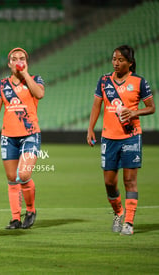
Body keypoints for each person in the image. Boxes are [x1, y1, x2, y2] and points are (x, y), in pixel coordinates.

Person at [87, 45, 155, 236]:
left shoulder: (139, 82)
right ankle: (118, 212)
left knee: (129, 180)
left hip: (131, 136)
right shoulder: (104, 81)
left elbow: (151, 107)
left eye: (120, 60)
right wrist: (90, 128)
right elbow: (96, 106)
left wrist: (134, 112)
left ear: (130, 63)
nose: (116, 63)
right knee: (109, 182)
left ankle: (129, 223)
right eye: (114, 59)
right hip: (109, 138)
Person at [0, 47, 44, 230]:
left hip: (30, 134)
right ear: (9, 64)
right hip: (8, 136)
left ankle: (31, 210)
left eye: (22, 58)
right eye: (15, 58)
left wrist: (25, 74)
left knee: (24, 174)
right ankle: (15, 218)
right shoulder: (2, 85)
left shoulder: (35, 80)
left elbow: (40, 94)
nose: (19, 61)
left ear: (27, 62)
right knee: (12, 178)